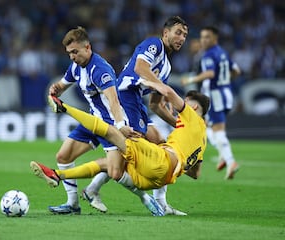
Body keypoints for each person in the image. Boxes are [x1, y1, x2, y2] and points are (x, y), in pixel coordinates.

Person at [30, 81, 209, 216]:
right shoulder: (203, 138)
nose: (179, 108)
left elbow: (168, 92)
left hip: (160, 162)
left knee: (113, 133)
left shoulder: (191, 116)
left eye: (185, 103)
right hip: (160, 179)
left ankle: (64, 107)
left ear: (193, 107)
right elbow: (195, 174)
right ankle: (58, 175)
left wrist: (150, 81)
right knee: (111, 164)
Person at [45, 26, 156, 215]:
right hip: (92, 121)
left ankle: (147, 199)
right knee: (62, 156)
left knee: (116, 172)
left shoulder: (99, 69)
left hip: (109, 124)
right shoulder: (76, 66)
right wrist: (56, 90)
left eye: (75, 52)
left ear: (87, 48)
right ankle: (73, 204)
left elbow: (113, 99)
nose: (72, 56)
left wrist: (120, 126)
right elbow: (63, 85)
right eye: (69, 53)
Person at [116, 16, 188, 214]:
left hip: (137, 101)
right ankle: (94, 188)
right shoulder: (154, 44)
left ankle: (162, 203)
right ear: (166, 33)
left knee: (159, 142)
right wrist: (164, 88)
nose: (181, 38)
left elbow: (155, 105)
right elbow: (140, 68)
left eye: (185, 35)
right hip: (124, 94)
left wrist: (179, 124)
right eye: (178, 32)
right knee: (133, 147)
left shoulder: (167, 67)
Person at [181, 26, 241, 179]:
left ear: (215, 38)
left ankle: (230, 160)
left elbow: (210, 73)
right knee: (206, 127)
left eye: (207, 37)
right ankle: (223, 154)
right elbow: (236, 71)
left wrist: (190, 79)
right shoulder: (222, 52)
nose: (203, 40)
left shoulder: (208, 55)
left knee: (217, 130)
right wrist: (226, 81)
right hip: (226, 94)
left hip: (215, 96)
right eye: (202, 37)